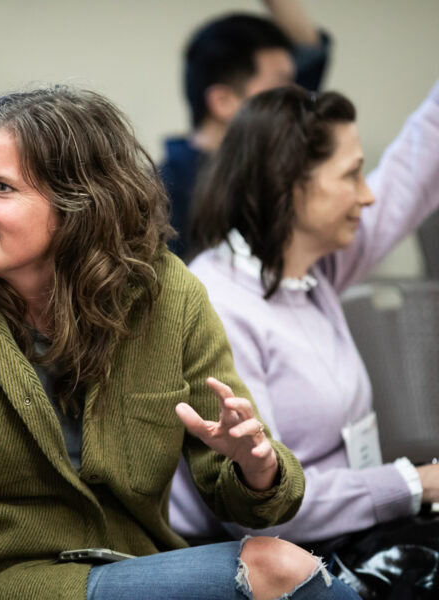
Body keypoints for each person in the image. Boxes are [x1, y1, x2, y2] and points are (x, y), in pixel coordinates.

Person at [0, 86, 360, 599]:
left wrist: (255, 465)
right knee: (273, 569)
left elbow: (261, 500)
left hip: (132, 566)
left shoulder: (166, 294)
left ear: (83, 204)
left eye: (0, 187)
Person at [168, 81, 439, 547]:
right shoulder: (218, 303)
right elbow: (264, 510)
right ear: (289, 183)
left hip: (347, 535)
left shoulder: (311, 270)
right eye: (352, 175)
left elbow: (409, 178)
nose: (368, 196)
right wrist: (415, 484)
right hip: (274, 554)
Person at [160, 0, 330, 258]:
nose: (299, 101)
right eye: (281, 85)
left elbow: (311, 51)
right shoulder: (163, 197)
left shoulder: (265, 161)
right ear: (223, 102)